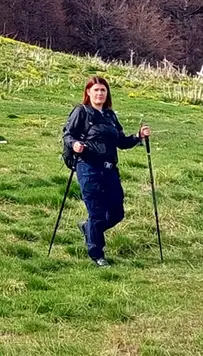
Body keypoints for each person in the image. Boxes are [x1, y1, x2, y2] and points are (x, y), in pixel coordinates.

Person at [62, 76, 150, 266]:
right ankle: (97, 254)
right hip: (87, 167)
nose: (100, 93)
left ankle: (88, 228)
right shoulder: (81, 112)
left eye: (103, 90)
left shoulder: (110, 116)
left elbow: (121, 141)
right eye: (96, 90)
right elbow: (68, 134)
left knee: (117, 212)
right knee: (96, 212)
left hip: (109, 169)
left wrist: (138, 137)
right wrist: (75, 144)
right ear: (88, 93)